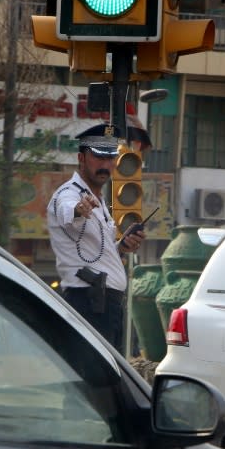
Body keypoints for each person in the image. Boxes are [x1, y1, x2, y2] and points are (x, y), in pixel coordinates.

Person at [46, 124, 146, 352]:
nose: (105, 165)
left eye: (110, 158)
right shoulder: (69, 193)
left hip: (106, 304)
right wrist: (80, 209)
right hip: (89, 302)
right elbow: (67, 211)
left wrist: (122, 246)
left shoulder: (98, 200)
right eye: (98, 157)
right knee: (98, 378)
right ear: (81, 158)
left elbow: (100, 251)